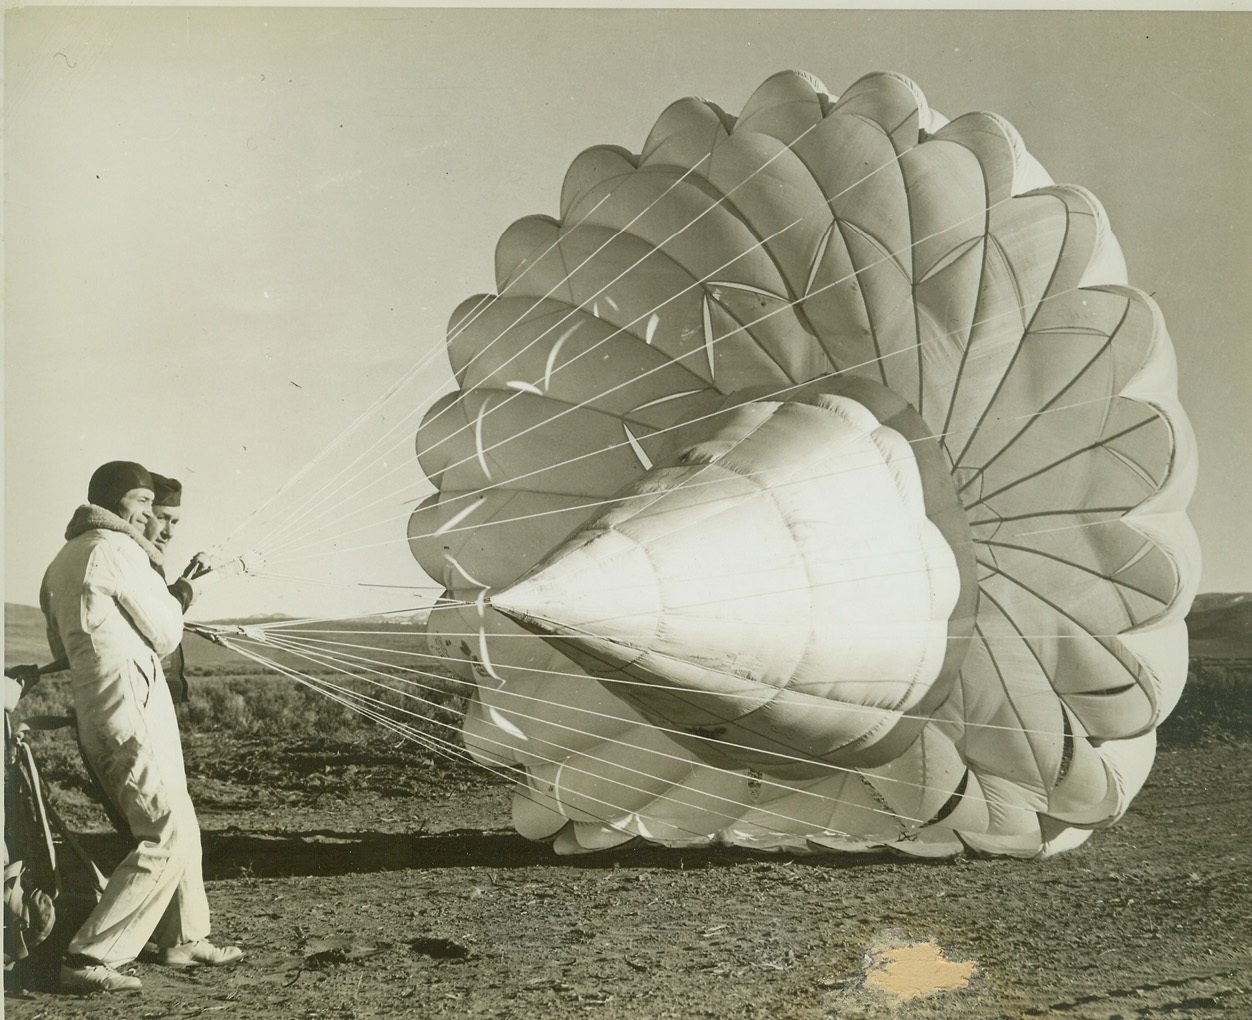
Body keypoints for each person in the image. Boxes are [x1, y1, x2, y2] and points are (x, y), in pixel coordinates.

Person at [39, 461, 242, 994]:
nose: (150, 515)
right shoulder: (117, 550)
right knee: (164, 832)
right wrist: (185, 593)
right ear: (112, 503)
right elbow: (167, 632)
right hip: (131, 706)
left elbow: (61, 646)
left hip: (102, 707)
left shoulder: (62, 560)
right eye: (141, 502)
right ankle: (90, 955)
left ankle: (184, 937)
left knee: (179, 820)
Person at [144, 474, 190, 706]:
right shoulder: (133, 560)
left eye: (175, 522)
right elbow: (155, 618)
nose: (169, 532)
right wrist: (187, 589)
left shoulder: (152, 563)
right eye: (161, 518)